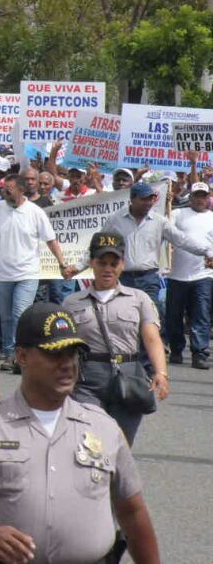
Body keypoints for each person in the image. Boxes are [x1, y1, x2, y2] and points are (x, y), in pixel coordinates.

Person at [0, 302, 161, 564]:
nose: (67, 364)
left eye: (73, 354)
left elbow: (133, 512)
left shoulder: (103, 427)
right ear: (21, 356)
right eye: (54, 354)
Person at [62, 232, 169, 445]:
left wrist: (161, 373)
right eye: (102, 263)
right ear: (91, 263)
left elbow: (151, 338)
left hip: (128, 376)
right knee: (90, 442)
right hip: (87, 379)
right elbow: (64, 346)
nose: (108, 269)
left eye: (114, 263)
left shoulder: (139, 299)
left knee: (120, 446)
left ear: (123, 264)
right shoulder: (72, 302)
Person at [0, 172, 73, 371]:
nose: (5, 193)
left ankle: (20, 355)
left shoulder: (35, 212)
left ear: (21, 189)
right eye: (3, 190)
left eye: (9, 189)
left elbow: (51, 240)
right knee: (5, 317)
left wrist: (62, 263)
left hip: (27, 273)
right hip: (1, 274)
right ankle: (8, 353)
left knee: (19, 314)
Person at [99, 179, 213, 314]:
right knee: (125, 318)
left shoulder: (159, 221)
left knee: (152, 319)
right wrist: (76, 268)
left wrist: (208, 251)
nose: (148, 203)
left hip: (148, 279)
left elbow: (182, 240)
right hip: (124, 279)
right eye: (144, 199)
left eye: (151, 199)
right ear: (132, 199)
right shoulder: (115, 220)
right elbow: (99, 245)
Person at [167, 180, 213, 369]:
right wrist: (166, 202)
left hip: (203, 274)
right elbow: (166, 229)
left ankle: (199, 352)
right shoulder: (177, 214)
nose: (200, 199)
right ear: (191, 197)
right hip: (177, 273)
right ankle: (177, 349)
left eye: (204, 196)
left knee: (201, 314)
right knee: (173, 315)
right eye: (197, 196)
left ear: (208, 198)